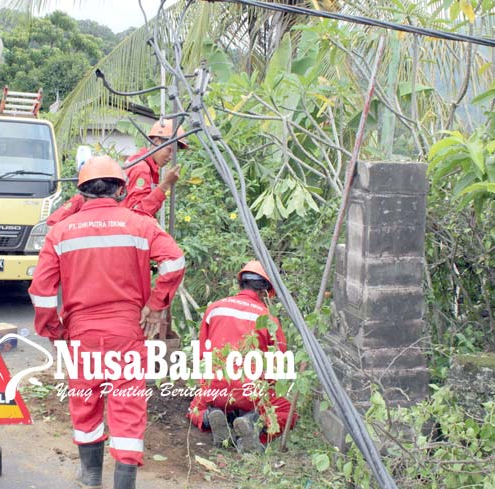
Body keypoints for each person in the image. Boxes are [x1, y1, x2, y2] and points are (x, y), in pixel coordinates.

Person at [28, 155, 185, 489]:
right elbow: (174, 261)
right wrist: (156, 306)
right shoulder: (140, 224)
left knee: (85, 400)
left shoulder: (61, 232)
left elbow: (41, 292)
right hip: (128, 330)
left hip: (81, 332)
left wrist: (55, 331)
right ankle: (123, 483)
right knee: (128, 406)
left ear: (83, 191)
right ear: (120, 189)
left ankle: (91, 474)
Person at [187, 260, 296, 453]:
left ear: (241, 283)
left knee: (195, 407)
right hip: (249, 394)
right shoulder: (268, 319)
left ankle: (209, 416)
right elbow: (277, 365)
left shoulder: (215, 308)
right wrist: (265, 392)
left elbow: (203, 354)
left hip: (216, 390)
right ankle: (254, 424)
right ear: (264, 291)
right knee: (286, 411)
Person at [46, 119, 188, 226]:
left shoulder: (138, 163)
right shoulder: (141, 169)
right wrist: (164, 186)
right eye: (169, 150)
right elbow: (137, 215)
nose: (170, 157)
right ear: (157, 141)